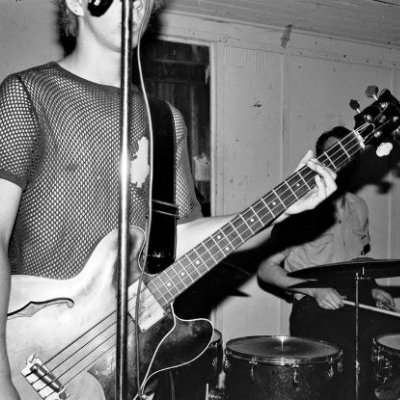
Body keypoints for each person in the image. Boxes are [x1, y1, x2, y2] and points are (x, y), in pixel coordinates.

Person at [0, 1, 338, 399]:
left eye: (144, 0)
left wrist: (281, 212)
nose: (136, 8)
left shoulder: (164, 120)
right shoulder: (27, 94)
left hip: (120, 367)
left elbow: (186, 236)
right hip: (28, 348)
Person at [258, 126, 400, 400]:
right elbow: (266, 269)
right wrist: (314, 291)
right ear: (322, 161)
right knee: (350, 355)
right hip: (314, 307)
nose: (342, 160)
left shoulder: (358, 206)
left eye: (348, 154)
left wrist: (372, 289)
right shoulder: (303, 207)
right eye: (335, 154)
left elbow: (354, 263)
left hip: (356, 300)